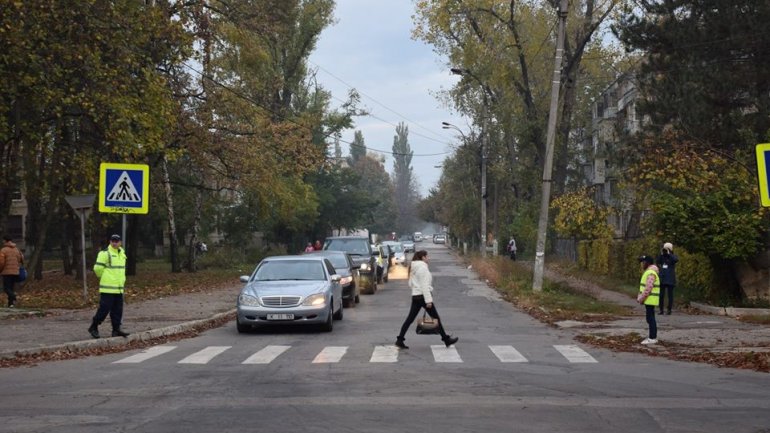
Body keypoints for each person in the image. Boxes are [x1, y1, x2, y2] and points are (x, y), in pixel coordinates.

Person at [395, 250, 458, 349]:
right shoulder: (422, 268)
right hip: (423, 297)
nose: (429, 258)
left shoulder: (414, 267)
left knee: (409, 319)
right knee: (436, 318)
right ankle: (446, 340)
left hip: (416, 296)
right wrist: (428, 301)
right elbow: (424, 286)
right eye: (427, 256)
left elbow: (410, 283)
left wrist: (416, 289)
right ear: (423, 258)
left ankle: (400, 339)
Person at [88, 234, 130, 339]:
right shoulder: (105, 253)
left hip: (119, 288)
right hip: (108, 288)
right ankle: (94, 327)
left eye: (117, 241)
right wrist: (104, 277)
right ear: (110, 242)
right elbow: (97, 269)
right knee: (104, 309)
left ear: (120, 242)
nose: (114, 242)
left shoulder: (122, 253)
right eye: (113, 241)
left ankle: (116, 330)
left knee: (117, 310)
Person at [637, 255, 660, 345]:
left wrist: (641, 298)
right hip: (649, 299)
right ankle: (652, 337)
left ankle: (652, 338)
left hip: (650, 299)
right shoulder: (650, 272)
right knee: (649, 318)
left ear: (647, 263)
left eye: (643, 262)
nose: (642, 264)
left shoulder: (650, 273)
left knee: (650, 319)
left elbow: (648, 288)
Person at [0, 235, 24, 307]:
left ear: (5, 240)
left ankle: (14, 296)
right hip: (15, 272)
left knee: (6, 288)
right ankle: (11, 304)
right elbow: (21, 259)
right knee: (11, 288)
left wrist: (0, 270)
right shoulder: (16, 249)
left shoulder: (3, 250)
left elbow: (1, 262)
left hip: (6, 272)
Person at [656, 242, 679, 315]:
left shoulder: (672, 256)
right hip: (663, 277)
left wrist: (669, 253)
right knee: (661, 295)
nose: (665, 250)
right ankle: (661, 309)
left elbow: (675, 260)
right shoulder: (662, 256)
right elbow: (658, 261)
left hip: (670, 278)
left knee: (670, 295)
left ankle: (669, 309)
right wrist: (661, 253)